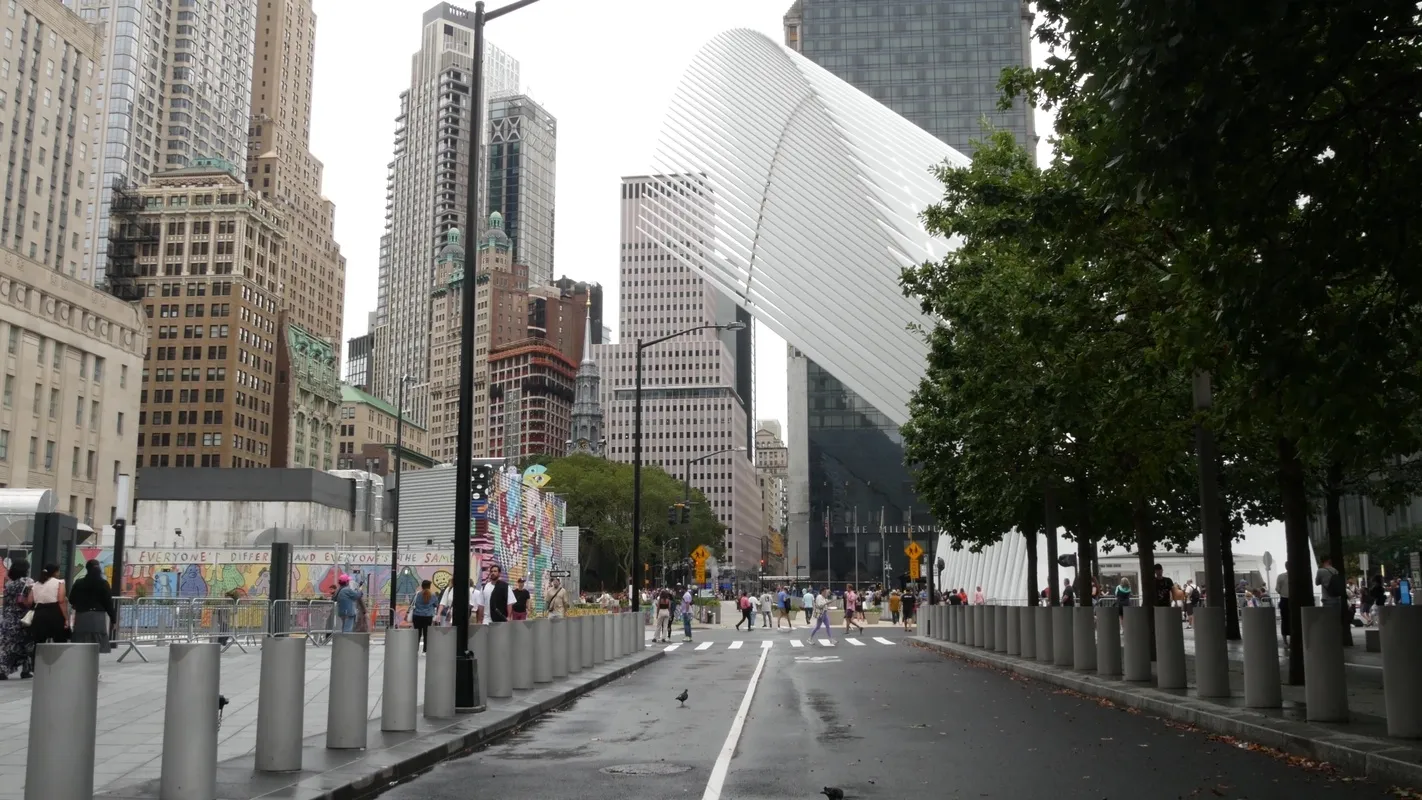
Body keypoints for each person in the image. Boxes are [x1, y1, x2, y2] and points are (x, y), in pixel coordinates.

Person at [69, 559, 117, 654]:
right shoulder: (103, 583)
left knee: (81, 640)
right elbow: (108, 603)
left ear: (87, 569)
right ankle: (93, 663)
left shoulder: (79, 583)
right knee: (97, 642)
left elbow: (71, 599)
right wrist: (113, 619)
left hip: (82, 615)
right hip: (98, 616)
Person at [0, 559, 33, 679]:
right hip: (22, 619)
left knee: (7, 646)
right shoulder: (28, 582)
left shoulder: (9, 584)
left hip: (8, 619)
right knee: (24, 644)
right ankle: (26, 670)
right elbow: (30, 600)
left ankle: (3, 670)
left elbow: (5, 602)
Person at [27, 563, 69, 645]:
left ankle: (38, 657)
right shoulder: (60, 582)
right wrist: (66, 617)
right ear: (55, 572)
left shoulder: (35, 584)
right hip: (55, 612)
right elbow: (61, 600)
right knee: (59, 641)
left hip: (39, 613)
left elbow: (29, 602)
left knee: (39, 642)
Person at [410, 580, 438, 651]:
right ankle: (425, 650)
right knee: (426, 634)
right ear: (429, 586)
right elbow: (436, 605)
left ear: (422, 586)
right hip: (428, 617)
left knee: (417, 633)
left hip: (417, 616)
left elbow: (412, 603)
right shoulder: (433, 595)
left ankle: (415, 649)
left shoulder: (417, 594)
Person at [1276, 562, 1291, 646]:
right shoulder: (1297, 577)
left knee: (1285, 620)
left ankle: (1285, 641)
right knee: (1292, 620)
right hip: (1290, 600)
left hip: (1284, 599)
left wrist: (1282, 593)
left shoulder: (1281, 576)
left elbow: (1277, 589)